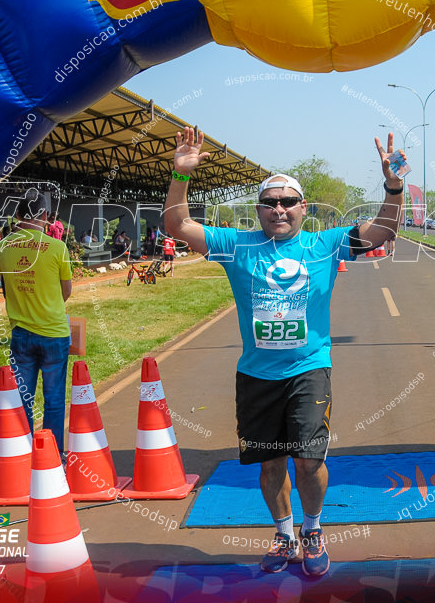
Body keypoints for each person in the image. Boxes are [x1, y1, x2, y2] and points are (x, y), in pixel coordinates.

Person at [164, 126, 403, 577]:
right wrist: (181, 176)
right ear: (257, 210)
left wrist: (394, 185)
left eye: (288, 201)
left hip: (309, 370)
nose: (279, 208)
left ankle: (312, 531)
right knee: (271, 463)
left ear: (303, 208)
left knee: (309, 461)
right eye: (270, 202)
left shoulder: (325, 244)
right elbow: (176, 226)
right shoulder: (236, 246)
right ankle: (284, 533)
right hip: (256, 376)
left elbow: (383, 229)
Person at [0, 189, 73, 457]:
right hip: (54, 334)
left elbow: (6, 289)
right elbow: (66, 292)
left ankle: (23, 455)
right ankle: (52, 456)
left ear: (17, 215)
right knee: (53, 401)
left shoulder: (3, 247)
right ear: (45, 216)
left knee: (23, 400)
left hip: (21, 334)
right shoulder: (57, 248)